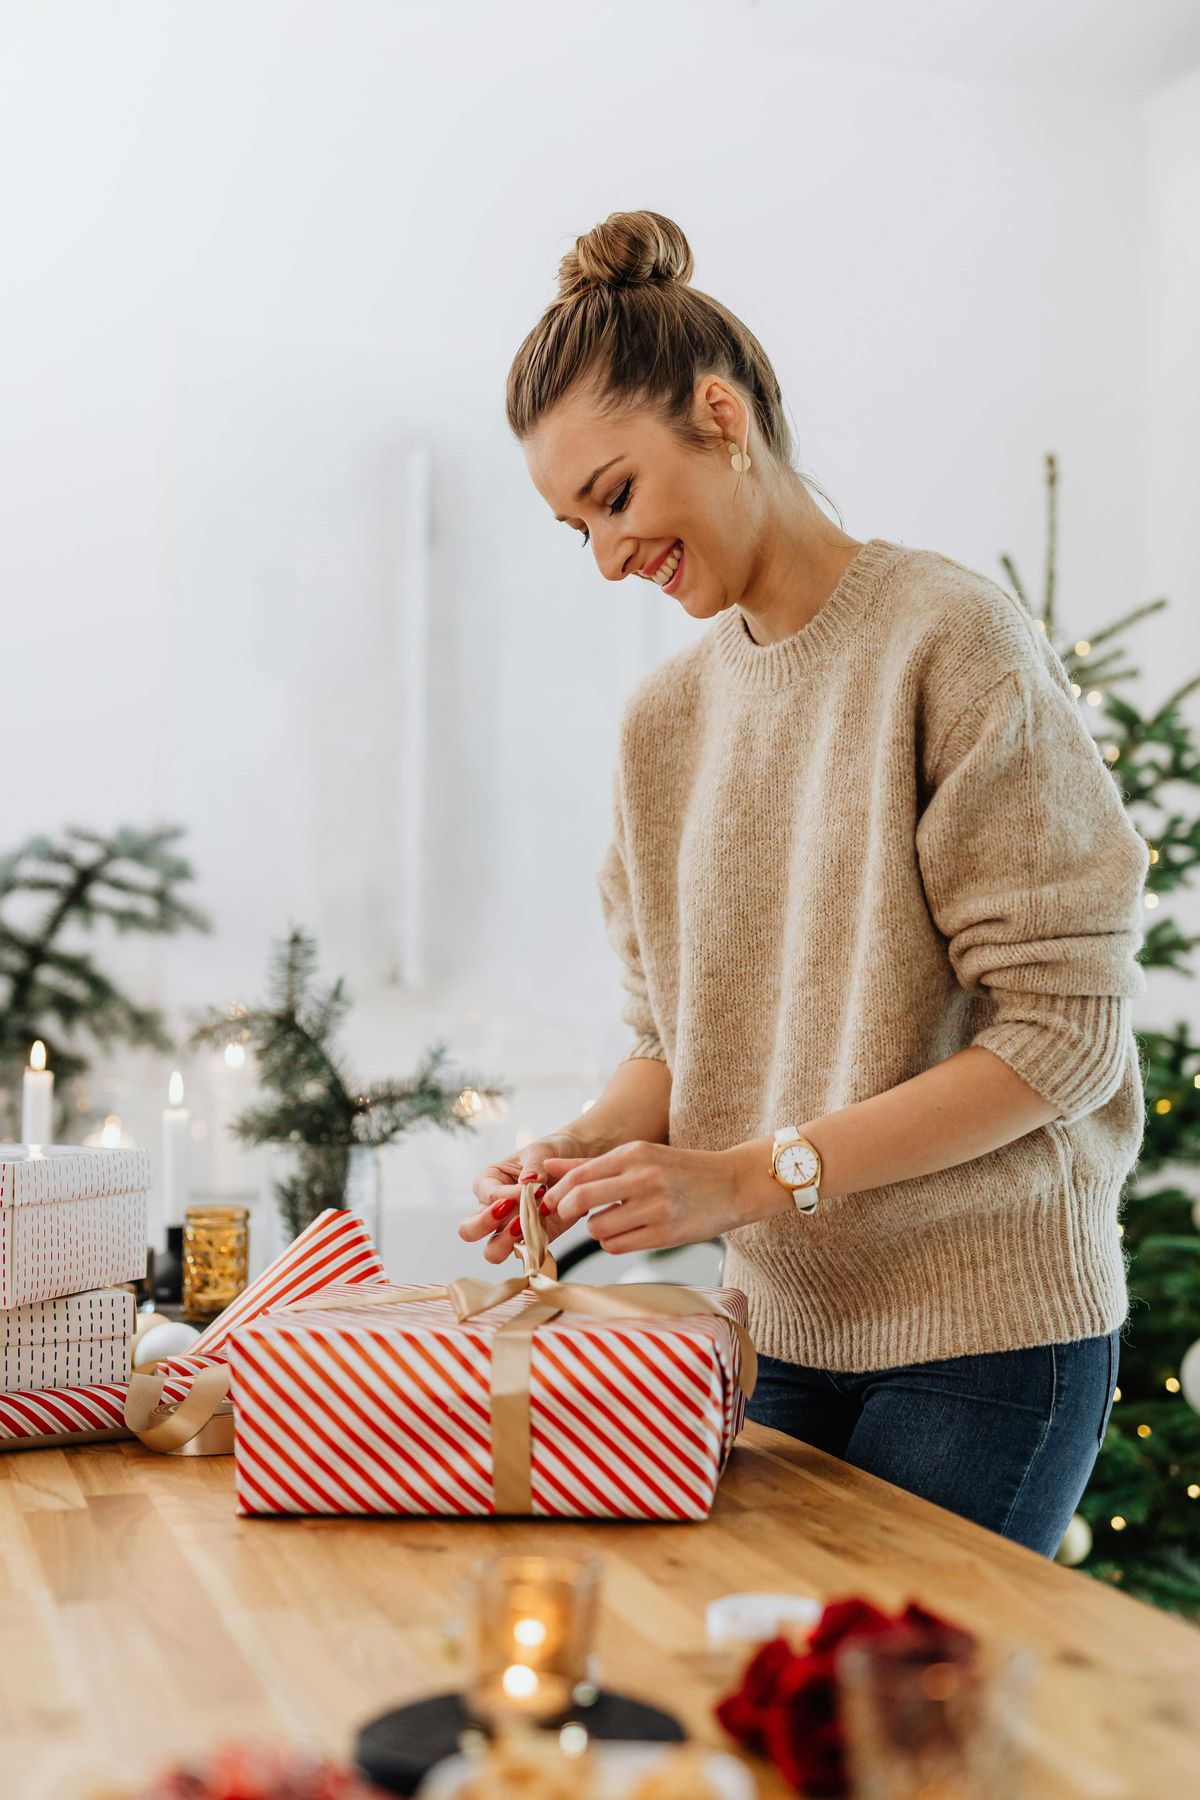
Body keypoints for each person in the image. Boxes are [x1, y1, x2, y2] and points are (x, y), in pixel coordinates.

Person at [460, 209, 1148, 1559]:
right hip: (774, 1335)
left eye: (614, 497)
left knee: (894, 1753)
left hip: (990, 1343)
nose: (605, 555)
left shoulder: (950, 639)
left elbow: (1063, 1036)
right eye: (572, 528)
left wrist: (751, 1178)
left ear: (719, 415)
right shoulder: (663, 724)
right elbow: (677, 1041)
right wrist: (588, 1150)